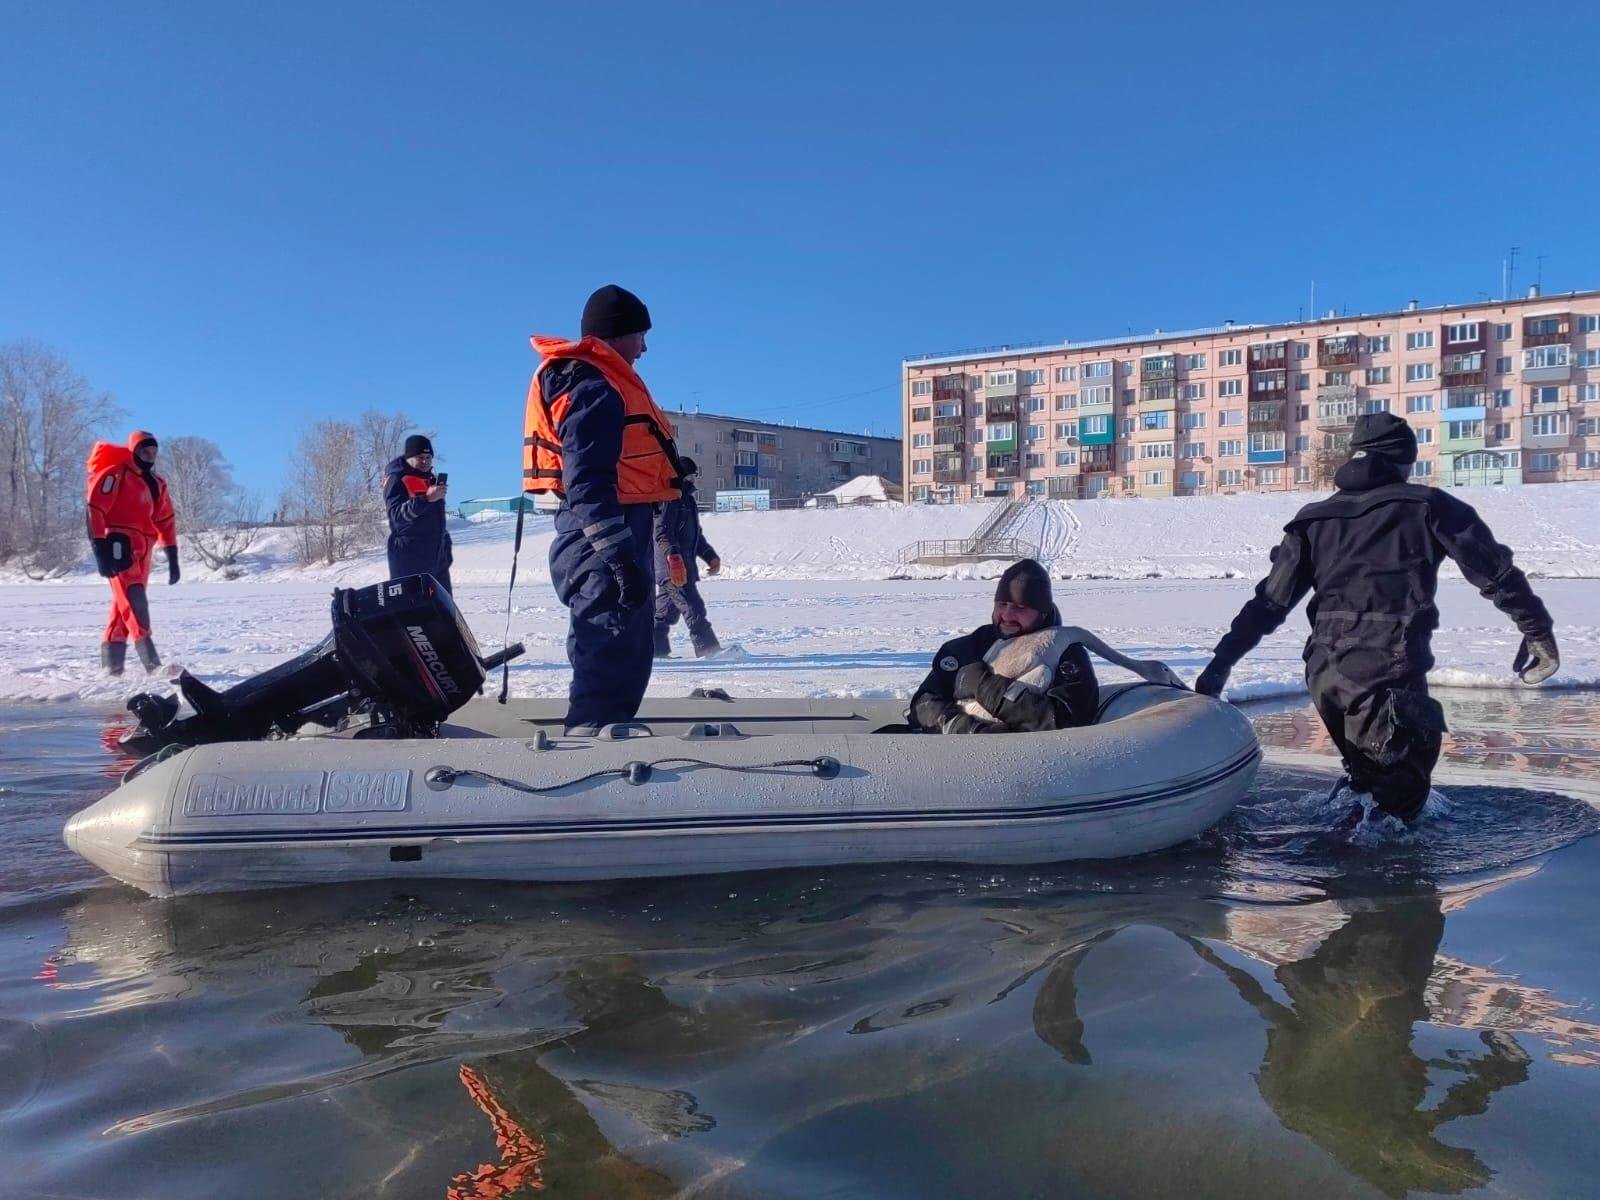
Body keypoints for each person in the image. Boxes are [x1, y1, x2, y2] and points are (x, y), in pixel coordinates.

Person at [1194, 412, 1558, 821]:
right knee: (1398, 810)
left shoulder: (1313, 519)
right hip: (1387, 670)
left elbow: (1269, 604)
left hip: (1325, 674)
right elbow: (1495, 572)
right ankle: (1366, 876)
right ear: (1403, 460)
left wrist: (1220, 664)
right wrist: (1537, 630)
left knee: (1366, 787)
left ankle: (1338, 865)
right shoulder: (1427, 505)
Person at [523, 285, 683, 734]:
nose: (645, 347)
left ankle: (605, 731)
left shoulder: (598, 381)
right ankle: (590, 743)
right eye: (640, 335)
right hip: (600, 535)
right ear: (617, 335)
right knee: (609, 640)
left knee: (624, 646)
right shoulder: (593, 385)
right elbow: (587, 478)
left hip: (609, 527)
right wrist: (617, 555)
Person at [909, 558, 1182, 734]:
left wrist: (985, 686)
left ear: (1042, 612)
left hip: (1021, 763)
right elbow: (923, 702)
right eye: (1002, 605)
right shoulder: (967, 648)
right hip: (951, 757)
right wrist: (962, 727)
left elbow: (1062, 720)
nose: (1007, 615)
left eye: (1020, 607)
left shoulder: (1067, 655)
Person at [86, 430, 179, 675]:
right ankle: (152, 666)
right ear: (133, 450)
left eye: (153, 452)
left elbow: (166, 519)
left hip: (145, 548)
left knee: (122, 607)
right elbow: (95, 509)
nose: (149, 456)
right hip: (119, 545)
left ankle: (111, 670)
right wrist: (99, 549)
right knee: (135, 600)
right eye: (144, 451)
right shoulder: (115, 475)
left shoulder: (157, 483)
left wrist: (172, 555)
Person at [652, 455, 724, 658]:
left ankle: (653, 651)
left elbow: (695, 536)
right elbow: (662, 533)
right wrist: (673, 559)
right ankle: (709, 650)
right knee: (694, 608)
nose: (693, 481)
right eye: (690, 476)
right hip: (671, 567)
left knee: (664, 614)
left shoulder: (687, 501)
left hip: (683, 566)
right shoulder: (667, 499)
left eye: (694, 476)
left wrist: (710, 556)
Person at [383, 434, 453, 593]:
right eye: (420, 457)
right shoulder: (397, 478)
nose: (425, 461)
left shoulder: (430, 479)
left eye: (428, 457)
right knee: (414, 613)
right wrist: (427, 498)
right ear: (409, 457)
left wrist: (445, 546)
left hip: (436, 561)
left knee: (443, 612)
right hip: (409, 559)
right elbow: (396, 517)